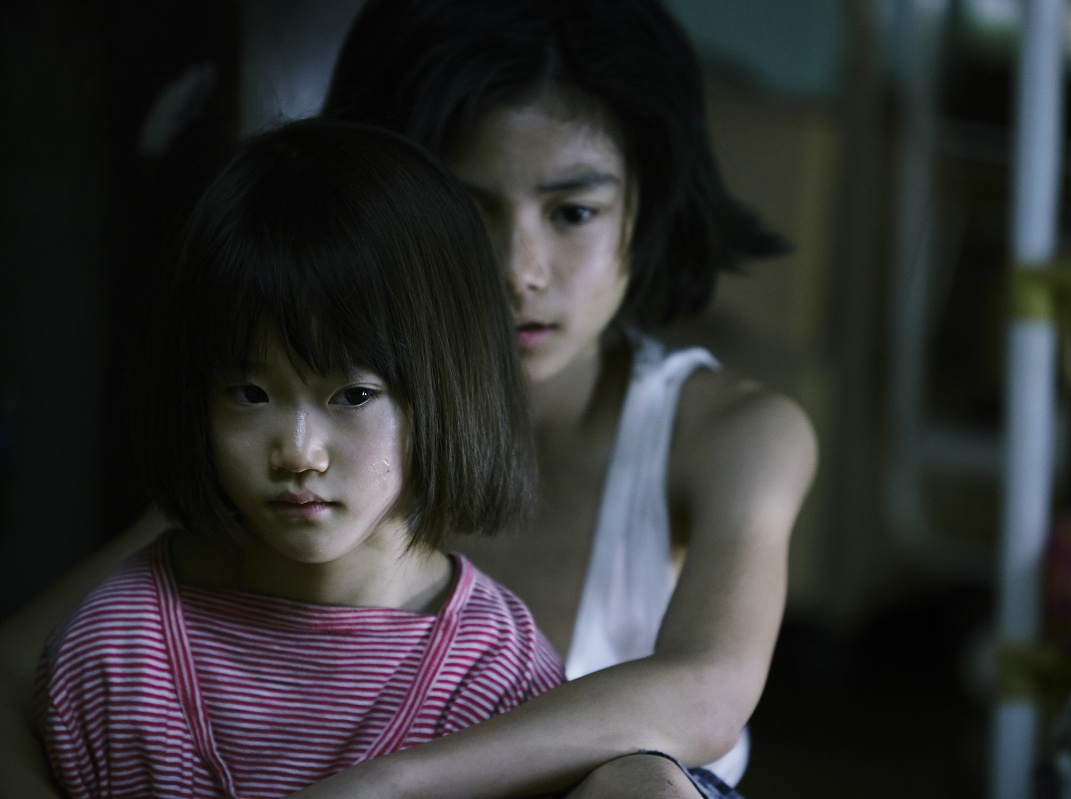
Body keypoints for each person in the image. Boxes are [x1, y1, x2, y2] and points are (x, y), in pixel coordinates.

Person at [1, 0, 818, 797]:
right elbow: (16, 669)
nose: (518, 271)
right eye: (466, 210)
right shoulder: (276, 472)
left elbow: (707, 694)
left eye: (573, 211)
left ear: (647, 207)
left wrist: (383, 782)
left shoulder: (729, 434)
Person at [35, 117, 564, 799]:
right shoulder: (118, 651)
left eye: (352, 395)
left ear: (445, 390)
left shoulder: (499, 680)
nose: (298, 453)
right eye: (250, 394)